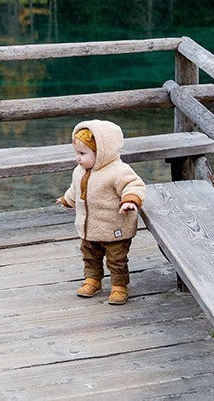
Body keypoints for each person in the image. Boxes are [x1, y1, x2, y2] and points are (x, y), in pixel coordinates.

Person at [56, 120, 145, 305]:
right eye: (76, 153)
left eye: (82, 153)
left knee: (116, 259)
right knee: (90, 255)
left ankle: (119, 286)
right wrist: (67, 200)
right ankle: (93, 280)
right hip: (90, 228)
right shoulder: (79, 171)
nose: (78, 158)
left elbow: (134, 185)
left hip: (114, 227)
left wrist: (130, 200)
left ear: (102, 152)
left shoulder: (118, 170)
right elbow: (75, 189)